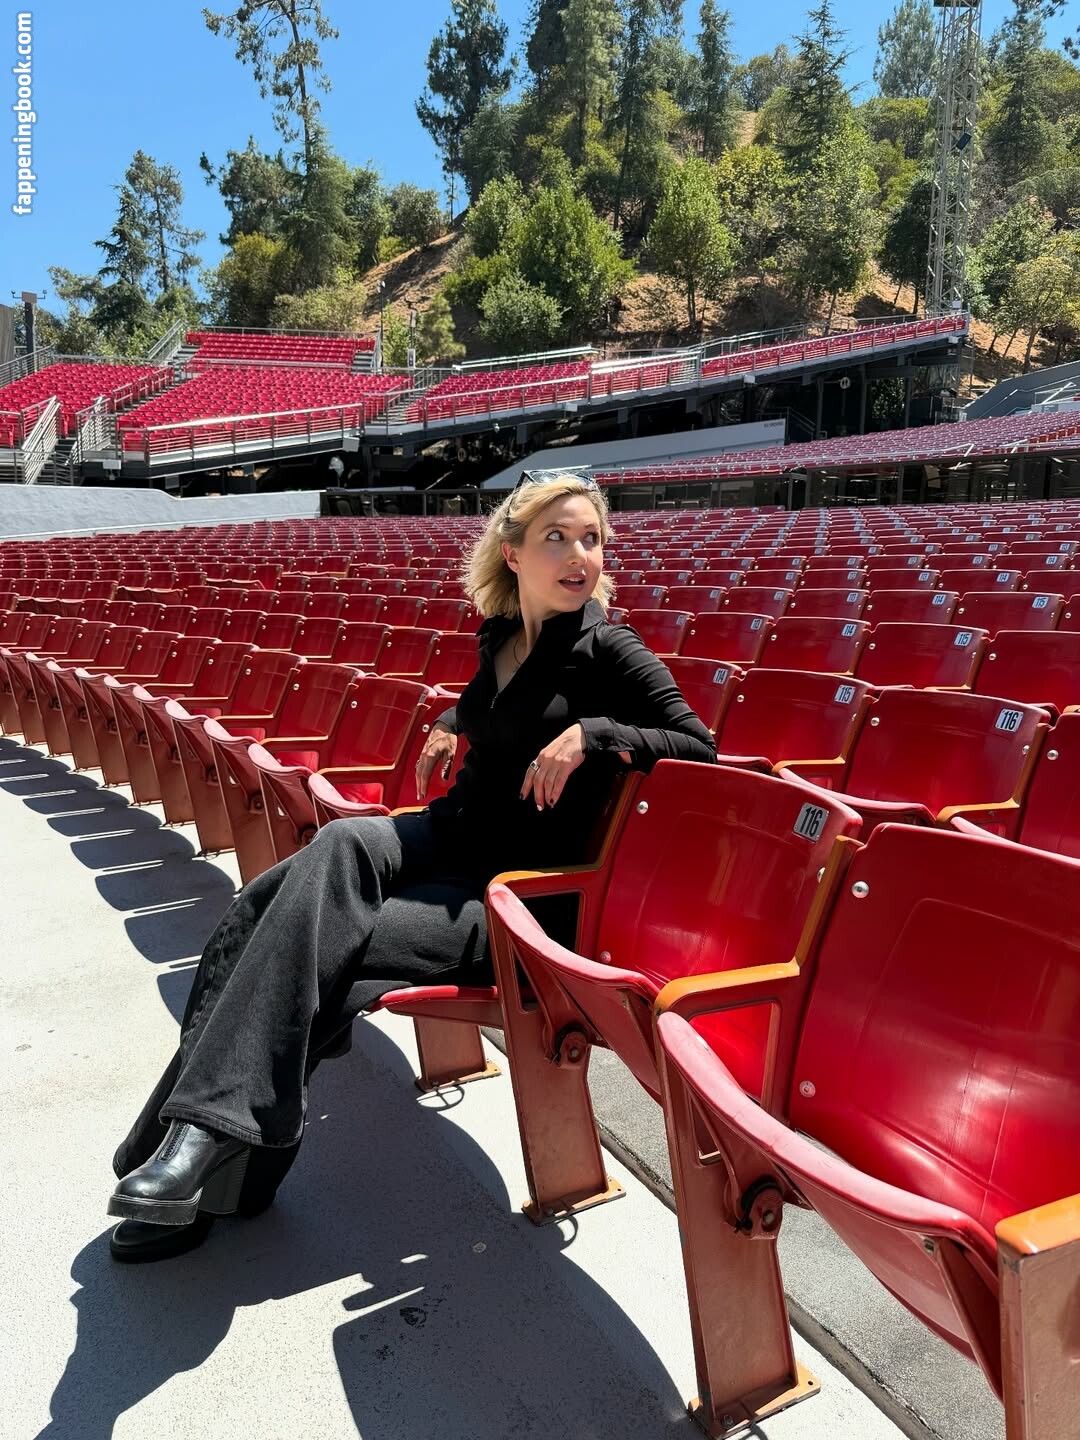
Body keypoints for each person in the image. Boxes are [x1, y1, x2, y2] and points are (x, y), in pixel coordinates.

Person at [106, 473, 718, 1262]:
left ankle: (197, 1159)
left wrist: (595, 735)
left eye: (591, 539)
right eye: (557, 539)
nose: (579, 556)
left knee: (305, 940)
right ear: (514, 554)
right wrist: (452, 717)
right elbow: (500, 707)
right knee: (305, 873)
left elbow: (701, 747)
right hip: (449, 837)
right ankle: (204, 1152)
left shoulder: (609, 650)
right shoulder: (502, 637)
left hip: (513, 898)